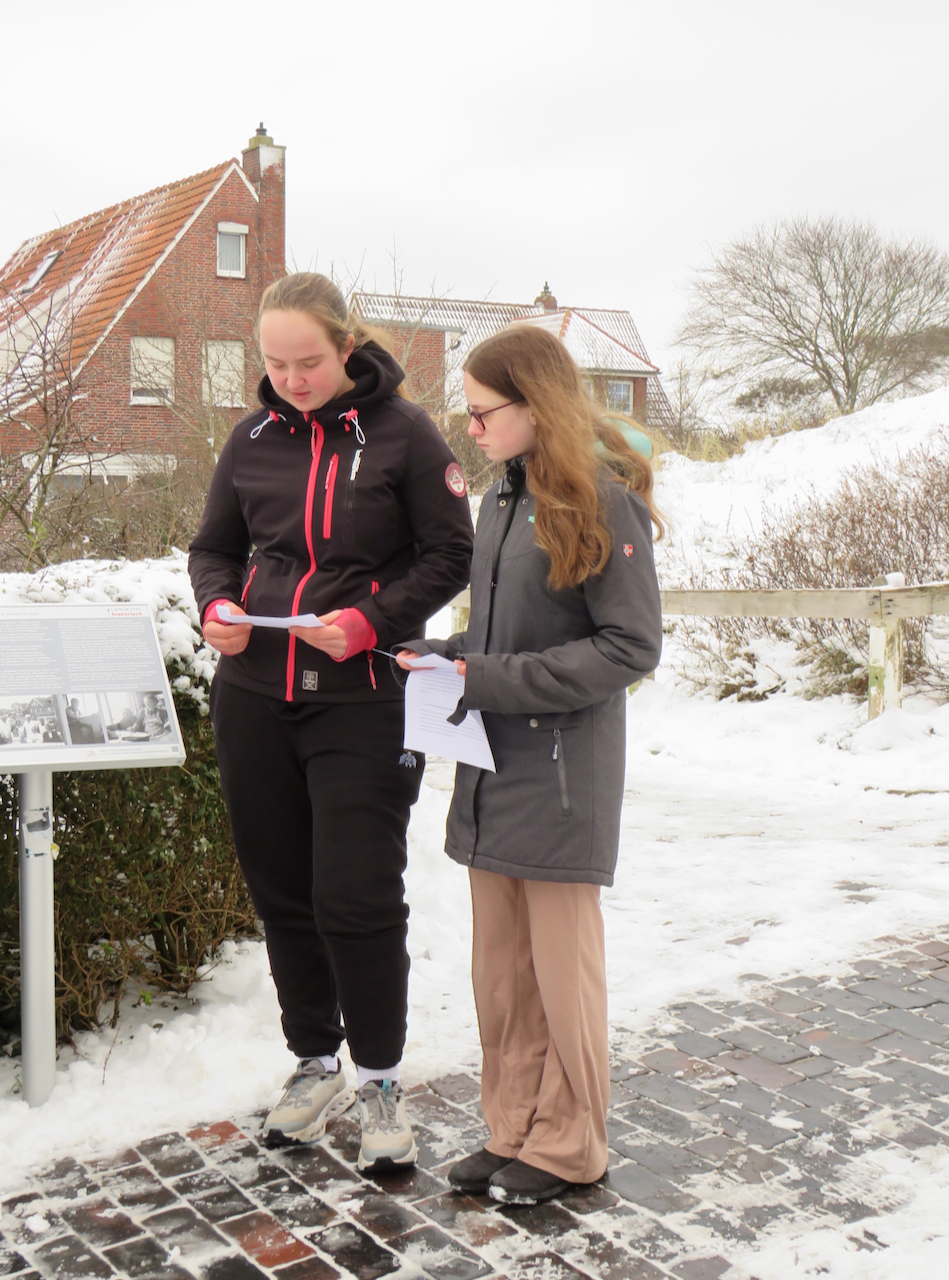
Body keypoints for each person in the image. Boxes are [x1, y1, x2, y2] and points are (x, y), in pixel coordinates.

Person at [188, 272, 473, 1172]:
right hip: (254, 696)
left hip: (364, 698)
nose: (291, 379)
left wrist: (368, 621)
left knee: (355, 896)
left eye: (307, 361)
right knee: (282, 892)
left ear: (347, 348)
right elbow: (214, 549)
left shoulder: (407, 434)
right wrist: (216, 607)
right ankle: (315, 1062)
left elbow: (451, 555)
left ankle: (381, 1079)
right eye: (274, 364)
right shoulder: (251, 438)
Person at [397, 325, 663, 1205]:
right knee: (503, 974)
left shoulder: (602, 501)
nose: (470, 429)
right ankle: (513, 1129)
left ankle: (571, 1145)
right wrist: (446, 656)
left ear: (534, 404)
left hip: (559, 776)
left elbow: (629, 646)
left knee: (560, 976)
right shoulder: (501, 500)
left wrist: (487, 678)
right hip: (490, 767)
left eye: (483, 413)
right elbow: (503, 634)